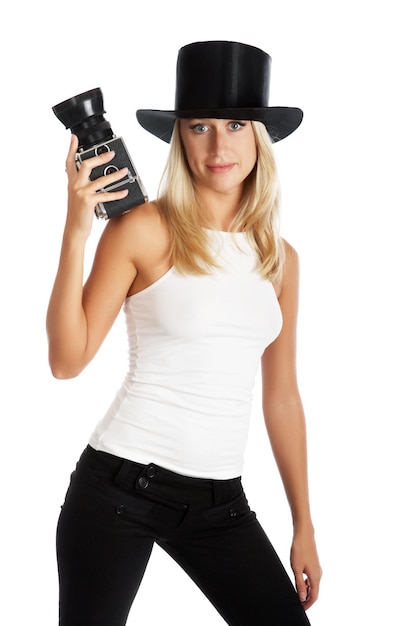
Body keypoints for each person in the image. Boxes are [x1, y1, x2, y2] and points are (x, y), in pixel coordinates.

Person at [47, 40, 322, 626]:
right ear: (180, 139)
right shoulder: (142, 229)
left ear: (259, 139)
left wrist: (303, 525)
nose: (220, 145)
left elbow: (282, 397)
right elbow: (67, 360)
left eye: (237, 125)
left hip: (221, 504)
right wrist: (76, 232)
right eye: (200, 127)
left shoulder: (281, 260)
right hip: (119, 488)